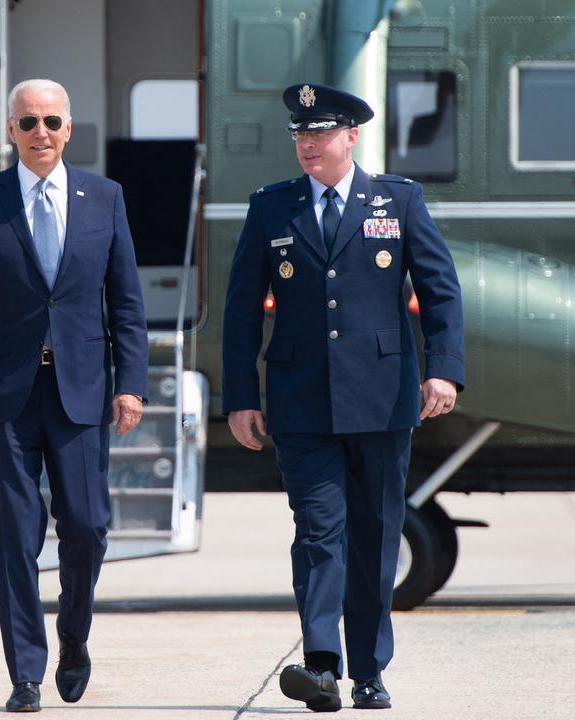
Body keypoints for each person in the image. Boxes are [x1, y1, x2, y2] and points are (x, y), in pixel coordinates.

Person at [221, 83, 464, 712]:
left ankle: (371, 670)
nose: (307, 145)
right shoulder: (271, 208)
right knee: (318, 534)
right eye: (300, 135)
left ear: (350, 136)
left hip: (381, 399)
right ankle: (322, 666)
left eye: (320, 133)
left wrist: (444, 371)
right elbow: (241, 310)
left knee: (377, 535)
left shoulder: (398, 200)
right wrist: (242, 395)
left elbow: (440, 291)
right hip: (300, 401)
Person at [0, 78, 148, 713]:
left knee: (85, 527)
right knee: (15, 533)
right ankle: (25, 673)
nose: (40, 133)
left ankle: (73, 637)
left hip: (82, 391)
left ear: (69, 128)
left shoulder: (104, 198)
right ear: (11, 130)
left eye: (51, 121)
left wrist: (131, 382)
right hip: (6, 395)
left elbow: (128, 304)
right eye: (27, 122)